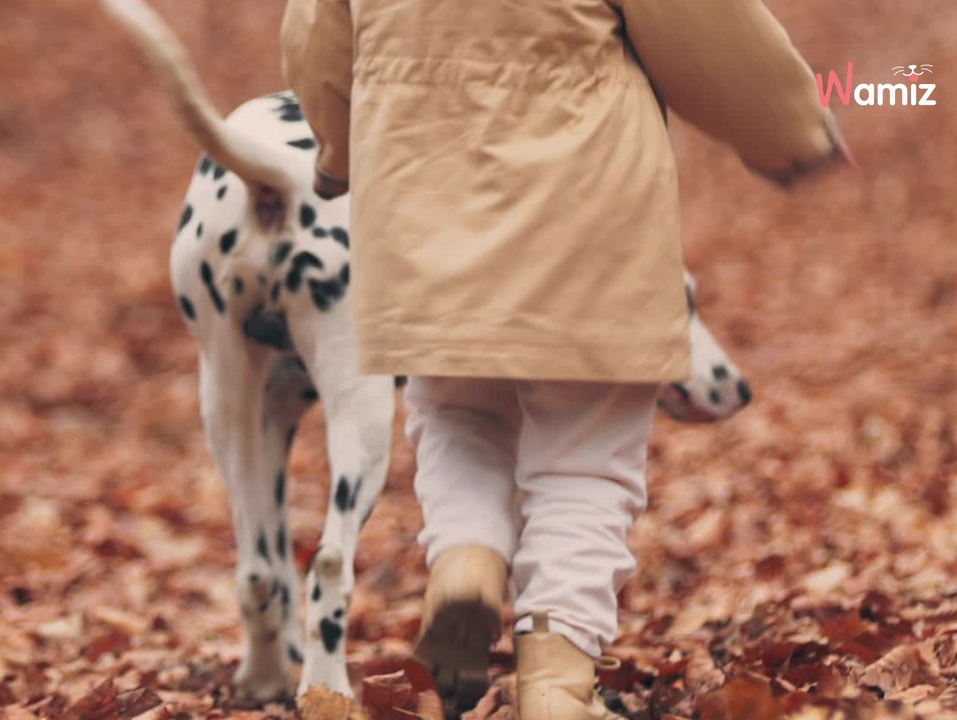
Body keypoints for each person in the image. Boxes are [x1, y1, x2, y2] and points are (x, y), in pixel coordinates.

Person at [281, 1, 848, 717]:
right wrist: (791, 130)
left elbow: (317, 38)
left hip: (424, 196)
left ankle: (466, 560)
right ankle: (555, 681)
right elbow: (706, 27)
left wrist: (337, 151)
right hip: (584, 207)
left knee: (455, 414)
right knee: (583, 457)